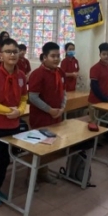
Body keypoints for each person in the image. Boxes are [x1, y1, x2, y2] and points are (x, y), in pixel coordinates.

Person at [0, 38, 28, 206]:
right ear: (1, 55)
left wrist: (20, 111)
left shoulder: (21, 76)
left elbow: (24, 97)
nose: (12, 55)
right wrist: (9, 111)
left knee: (5, 161)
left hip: (13, 126)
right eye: (8, 52)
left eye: (15, 52)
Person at [28, 42, 66, 185]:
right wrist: (49, 110)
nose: (56, 59)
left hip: (56, 116)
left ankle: (43, 172)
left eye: (58, 56)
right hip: (41, 118)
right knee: (38, 148)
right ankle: (30, 178)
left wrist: (62, 108)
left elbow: (64, 92)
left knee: (49, 148)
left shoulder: (60, 72)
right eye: (52, 56)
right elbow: (33, 97)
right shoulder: (38, 74)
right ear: (44, 57)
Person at [88, 43, 108, 111]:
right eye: (104, 54)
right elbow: (94, 86)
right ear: (100, 55)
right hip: (95, 101)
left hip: (107, 101)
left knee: (104, 120)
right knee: (94, 121)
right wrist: (103, 98)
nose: (106, 56)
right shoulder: (95, 68)